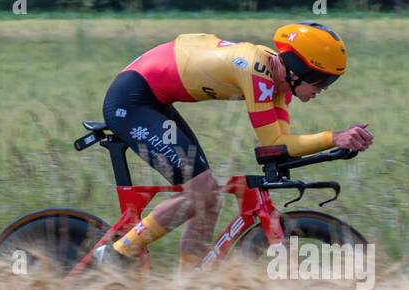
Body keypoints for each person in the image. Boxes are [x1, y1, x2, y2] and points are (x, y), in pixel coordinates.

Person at [97, 22, 373, 268]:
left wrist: (337, 148)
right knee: (201, 192)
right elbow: (275, 142)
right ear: (298, 69)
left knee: (209, 201)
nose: (324, 88)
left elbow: (276, 150)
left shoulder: (279, 88)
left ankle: (188, 287)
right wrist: (334, 138)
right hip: (132, 99)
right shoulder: (258, 71)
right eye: (322, 79)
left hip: (154, 97)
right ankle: (115, 256)